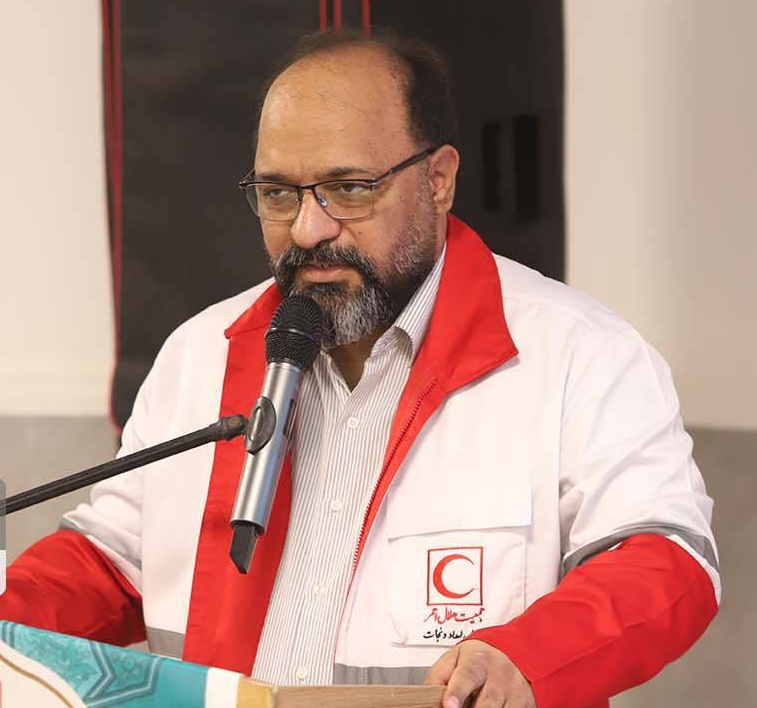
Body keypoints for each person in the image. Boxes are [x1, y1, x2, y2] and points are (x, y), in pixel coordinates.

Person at [0, 30, 718, 708]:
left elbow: (663, 562)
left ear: (438, 179)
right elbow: (113, 562)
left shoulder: (578, 352)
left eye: (348, 188)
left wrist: (524, 659)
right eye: (278, 193)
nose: (308, 228)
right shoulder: (201, 353)